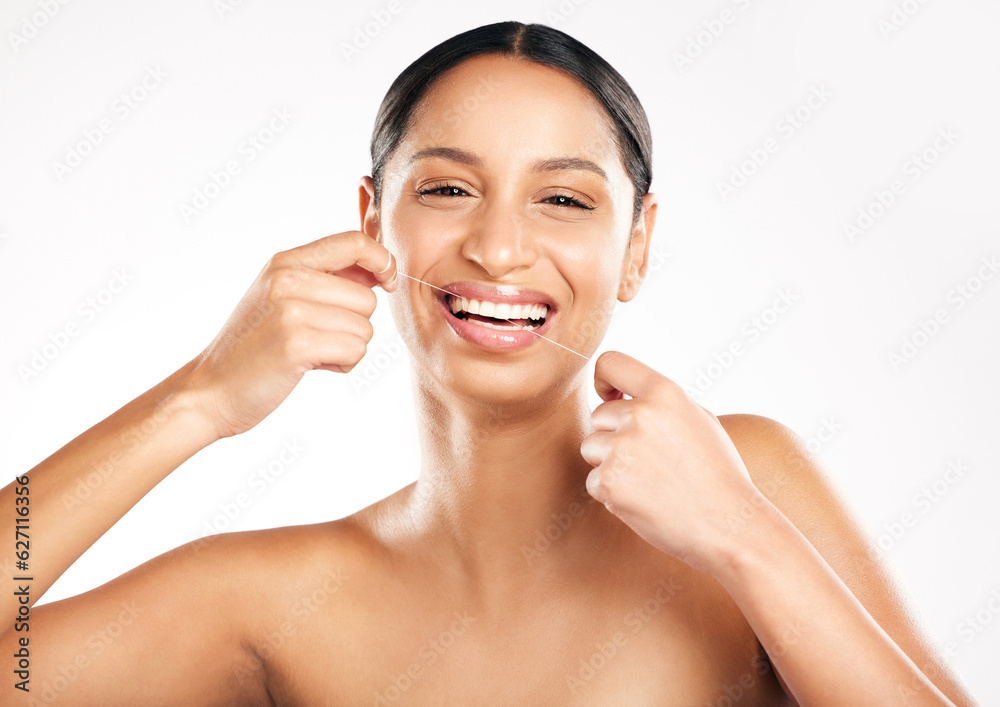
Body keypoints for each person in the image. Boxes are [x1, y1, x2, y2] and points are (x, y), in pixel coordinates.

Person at [1, 21, 978, 706]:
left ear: (636, 246)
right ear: (371, 221)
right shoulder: (280, 600)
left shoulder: (745, 482)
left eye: (562, 199)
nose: (500, 247)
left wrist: (744, 540)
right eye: (450, 187)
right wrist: (199, 398)